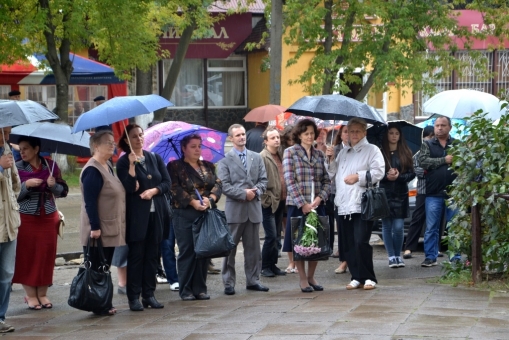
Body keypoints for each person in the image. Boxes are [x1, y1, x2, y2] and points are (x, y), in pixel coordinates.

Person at [116, 124, 172, 311]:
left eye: (141, 135)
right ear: (126, 140)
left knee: (152, 257)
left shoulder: (154, 157)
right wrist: (132, 166)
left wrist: (153, 191)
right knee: (136, 256)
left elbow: (167, 182)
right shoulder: (123, 162)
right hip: (137, 217)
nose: (139, 139)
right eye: (134, 136)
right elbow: (129, 187)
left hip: (157, 213)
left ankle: (149, 294)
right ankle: (134, 296)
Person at [325, 117, 384, 291]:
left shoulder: (372, 150)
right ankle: (356, 276)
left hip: (362, 203)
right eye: (351, 131)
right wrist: (330, 159)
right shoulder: (343, 152)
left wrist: (358, 176)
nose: (354, 134)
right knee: (348, 243)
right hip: (343, 203)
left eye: (358, 131)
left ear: (364, 132)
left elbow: (379, 172)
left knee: (361, 241)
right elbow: (332, 174)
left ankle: (369, 277)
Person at [13, 137, 68, 310]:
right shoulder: (17, 167)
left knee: (45, 255)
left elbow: (63, 190)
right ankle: (30, 296)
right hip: (27, 217)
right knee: (27, 256)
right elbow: (12, 195)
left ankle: (43, 294)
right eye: (20, 149)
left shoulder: (50, 166)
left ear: (36, 149)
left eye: (26, 149)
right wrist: (26, 186)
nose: (22, 152)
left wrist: (53, 186)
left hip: (48, 216)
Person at [167, 134, 222, 301]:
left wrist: (210, 199)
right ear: (184, 148)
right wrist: (192, 202)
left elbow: (218, 184)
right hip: (184, 213)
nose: (197, 149)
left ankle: (200, 288)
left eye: (199, 146)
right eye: (193, 146)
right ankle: (186, 289)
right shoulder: (175, 166)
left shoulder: (208, 165)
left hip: (205, 211)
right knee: (188, 251)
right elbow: (174, 189)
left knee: (203, 250)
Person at [217, 124, 268, 295]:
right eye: (237, 135)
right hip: (235, 210)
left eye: (243, 134)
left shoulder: (256, 157)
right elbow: (224, 186)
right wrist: (243, 194)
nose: (242, 137)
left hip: (253, 209)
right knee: (229, 249)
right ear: (231, 138)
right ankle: (228, 282)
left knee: (253, 249)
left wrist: (256, 191)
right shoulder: (224, 161)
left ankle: (253, 280)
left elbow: (263, 180)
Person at [79, 130, 126, 316]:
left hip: (110, 225)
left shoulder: (107, 165)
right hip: (98, 228)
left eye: (113, 142)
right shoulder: (92, 170)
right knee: (97, 267)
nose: (112, 145)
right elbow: (90, 201)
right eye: (108, 142)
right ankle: (99, 304)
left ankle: (104, 302)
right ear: (96, 146)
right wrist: (95, 227)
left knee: (104, 268)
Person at [282, 119, 331, 293]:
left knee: (316, 242)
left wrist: (320, 198)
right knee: (300, 242)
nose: (310, 136)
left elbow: (327, 180)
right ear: (299, 135)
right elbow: (289, 179)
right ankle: (302, 278)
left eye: (312, 133)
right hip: (297, 204)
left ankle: (311, 276)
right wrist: (302, 203)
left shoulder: (320, 155)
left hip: (317, 204)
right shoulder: (290, 152)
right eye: (306, 133)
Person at [418, 117, 457, 267]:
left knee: (454, 226)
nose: (439, 128)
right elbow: (423, 162)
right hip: (433, 192)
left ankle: (455, 257)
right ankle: (430, 257)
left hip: (454, 193)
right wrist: (443, 160)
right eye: (437, 125)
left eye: (443, 125)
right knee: (432, 227)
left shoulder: (456, 145)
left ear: (450, 127)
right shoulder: (427, 144)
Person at [379, 123, 416, 268]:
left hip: (400, 194)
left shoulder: (405, 151)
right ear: (386, 135)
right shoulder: (380, 152)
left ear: (400, 136)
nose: (394, 136)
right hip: (385, 193)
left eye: (396, 133)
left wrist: (399, 176)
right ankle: (391, 256)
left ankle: (398, 254)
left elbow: (412, 173)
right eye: (391, 133)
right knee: (387, 225)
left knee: (399, 227)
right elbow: (375, 173)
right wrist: (386, 176)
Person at [0, 127, 20, 333]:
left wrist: (11, 202)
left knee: (6, 274)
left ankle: (1, 317)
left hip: (10, 222)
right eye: (1, 132)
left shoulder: (6, 150)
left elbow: (16, 184)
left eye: (7, 132)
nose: (5, 137)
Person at [403, 126, 435, 259]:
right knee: (417, 218)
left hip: (436, 190)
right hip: (422, 189)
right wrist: (430, 170)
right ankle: (409, 247)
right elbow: (417, 169)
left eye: (433, 136)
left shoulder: (438, 150)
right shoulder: (420, 152)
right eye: (429, 136)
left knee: (435, 221)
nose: (430, 138)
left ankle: (435, 248)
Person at [259, 127, 286, 278]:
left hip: (280, 201)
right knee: (270, 236)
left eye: (277, 137)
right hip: (269, 202)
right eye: (273, 138)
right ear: (266, 141)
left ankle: (273, 264)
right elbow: (258, 179)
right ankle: (265, 266)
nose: (276, 140)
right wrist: (265, 199)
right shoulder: (262, 156)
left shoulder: (281, 155)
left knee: (277, 236)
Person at [331, 125, 349, 274]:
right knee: (341, 229)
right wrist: (329, 157)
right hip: (337, 194)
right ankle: (344, 260)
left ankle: (351, 259)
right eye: (346, 131)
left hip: (354, 195)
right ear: (341, 134)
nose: (349, 134)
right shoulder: (335, 149)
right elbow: (329, 172)